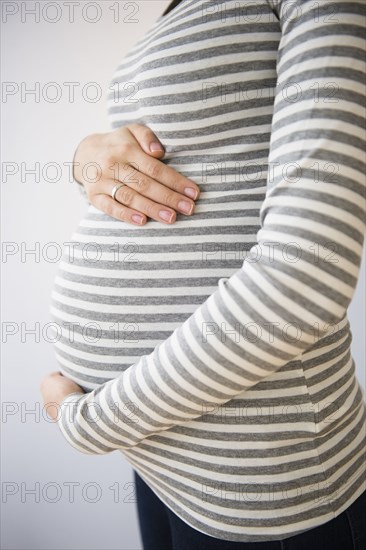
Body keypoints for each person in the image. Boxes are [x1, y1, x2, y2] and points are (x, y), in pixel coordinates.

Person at [40, 0, 366, 548]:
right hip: (161, 459)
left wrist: (91, 421)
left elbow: (308, 274)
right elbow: (167, 157)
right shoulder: (177, 10)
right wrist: (83, 161)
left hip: (259, 487)